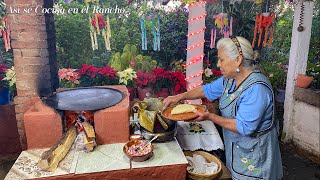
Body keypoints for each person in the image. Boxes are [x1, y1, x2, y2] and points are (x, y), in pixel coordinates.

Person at [163, 36, 283, 180]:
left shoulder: (257, 89)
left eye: (221, 60)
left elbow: (244, 127)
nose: (218, 64)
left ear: (238, 60)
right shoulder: (230, 80)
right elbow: (205, 90)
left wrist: (210, 117)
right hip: (237, 149)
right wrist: (178, 97)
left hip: (256, 155)